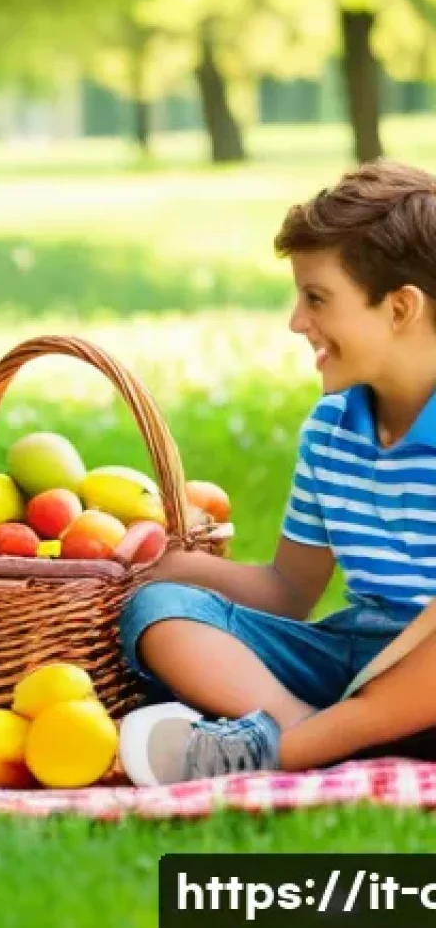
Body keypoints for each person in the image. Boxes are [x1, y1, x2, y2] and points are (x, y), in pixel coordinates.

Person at [116, 158, 436, 786]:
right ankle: (302, 730)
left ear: (400, 308)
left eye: (317, 298)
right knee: (160, 610)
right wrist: (169, 567)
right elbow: (289, 591)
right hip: (354, 660)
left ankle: (291, 749)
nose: (297, 321)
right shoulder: (330, 429)